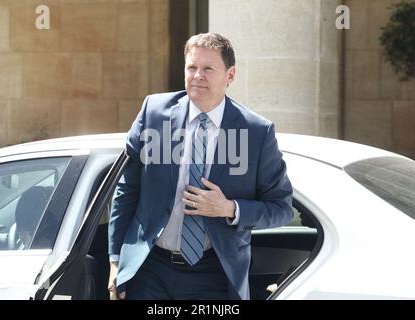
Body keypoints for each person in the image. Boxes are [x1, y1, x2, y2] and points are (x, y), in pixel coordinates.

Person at [108, 33, 293, 300]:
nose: (198, 76)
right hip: (149, 269)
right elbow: (126, 190)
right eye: (192, 67)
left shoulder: (257, 132)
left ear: (230, 76)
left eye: (208, 69)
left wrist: (229, 208)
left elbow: (282, 208)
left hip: (214, 275)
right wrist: (116, 262)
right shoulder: (154, 112)